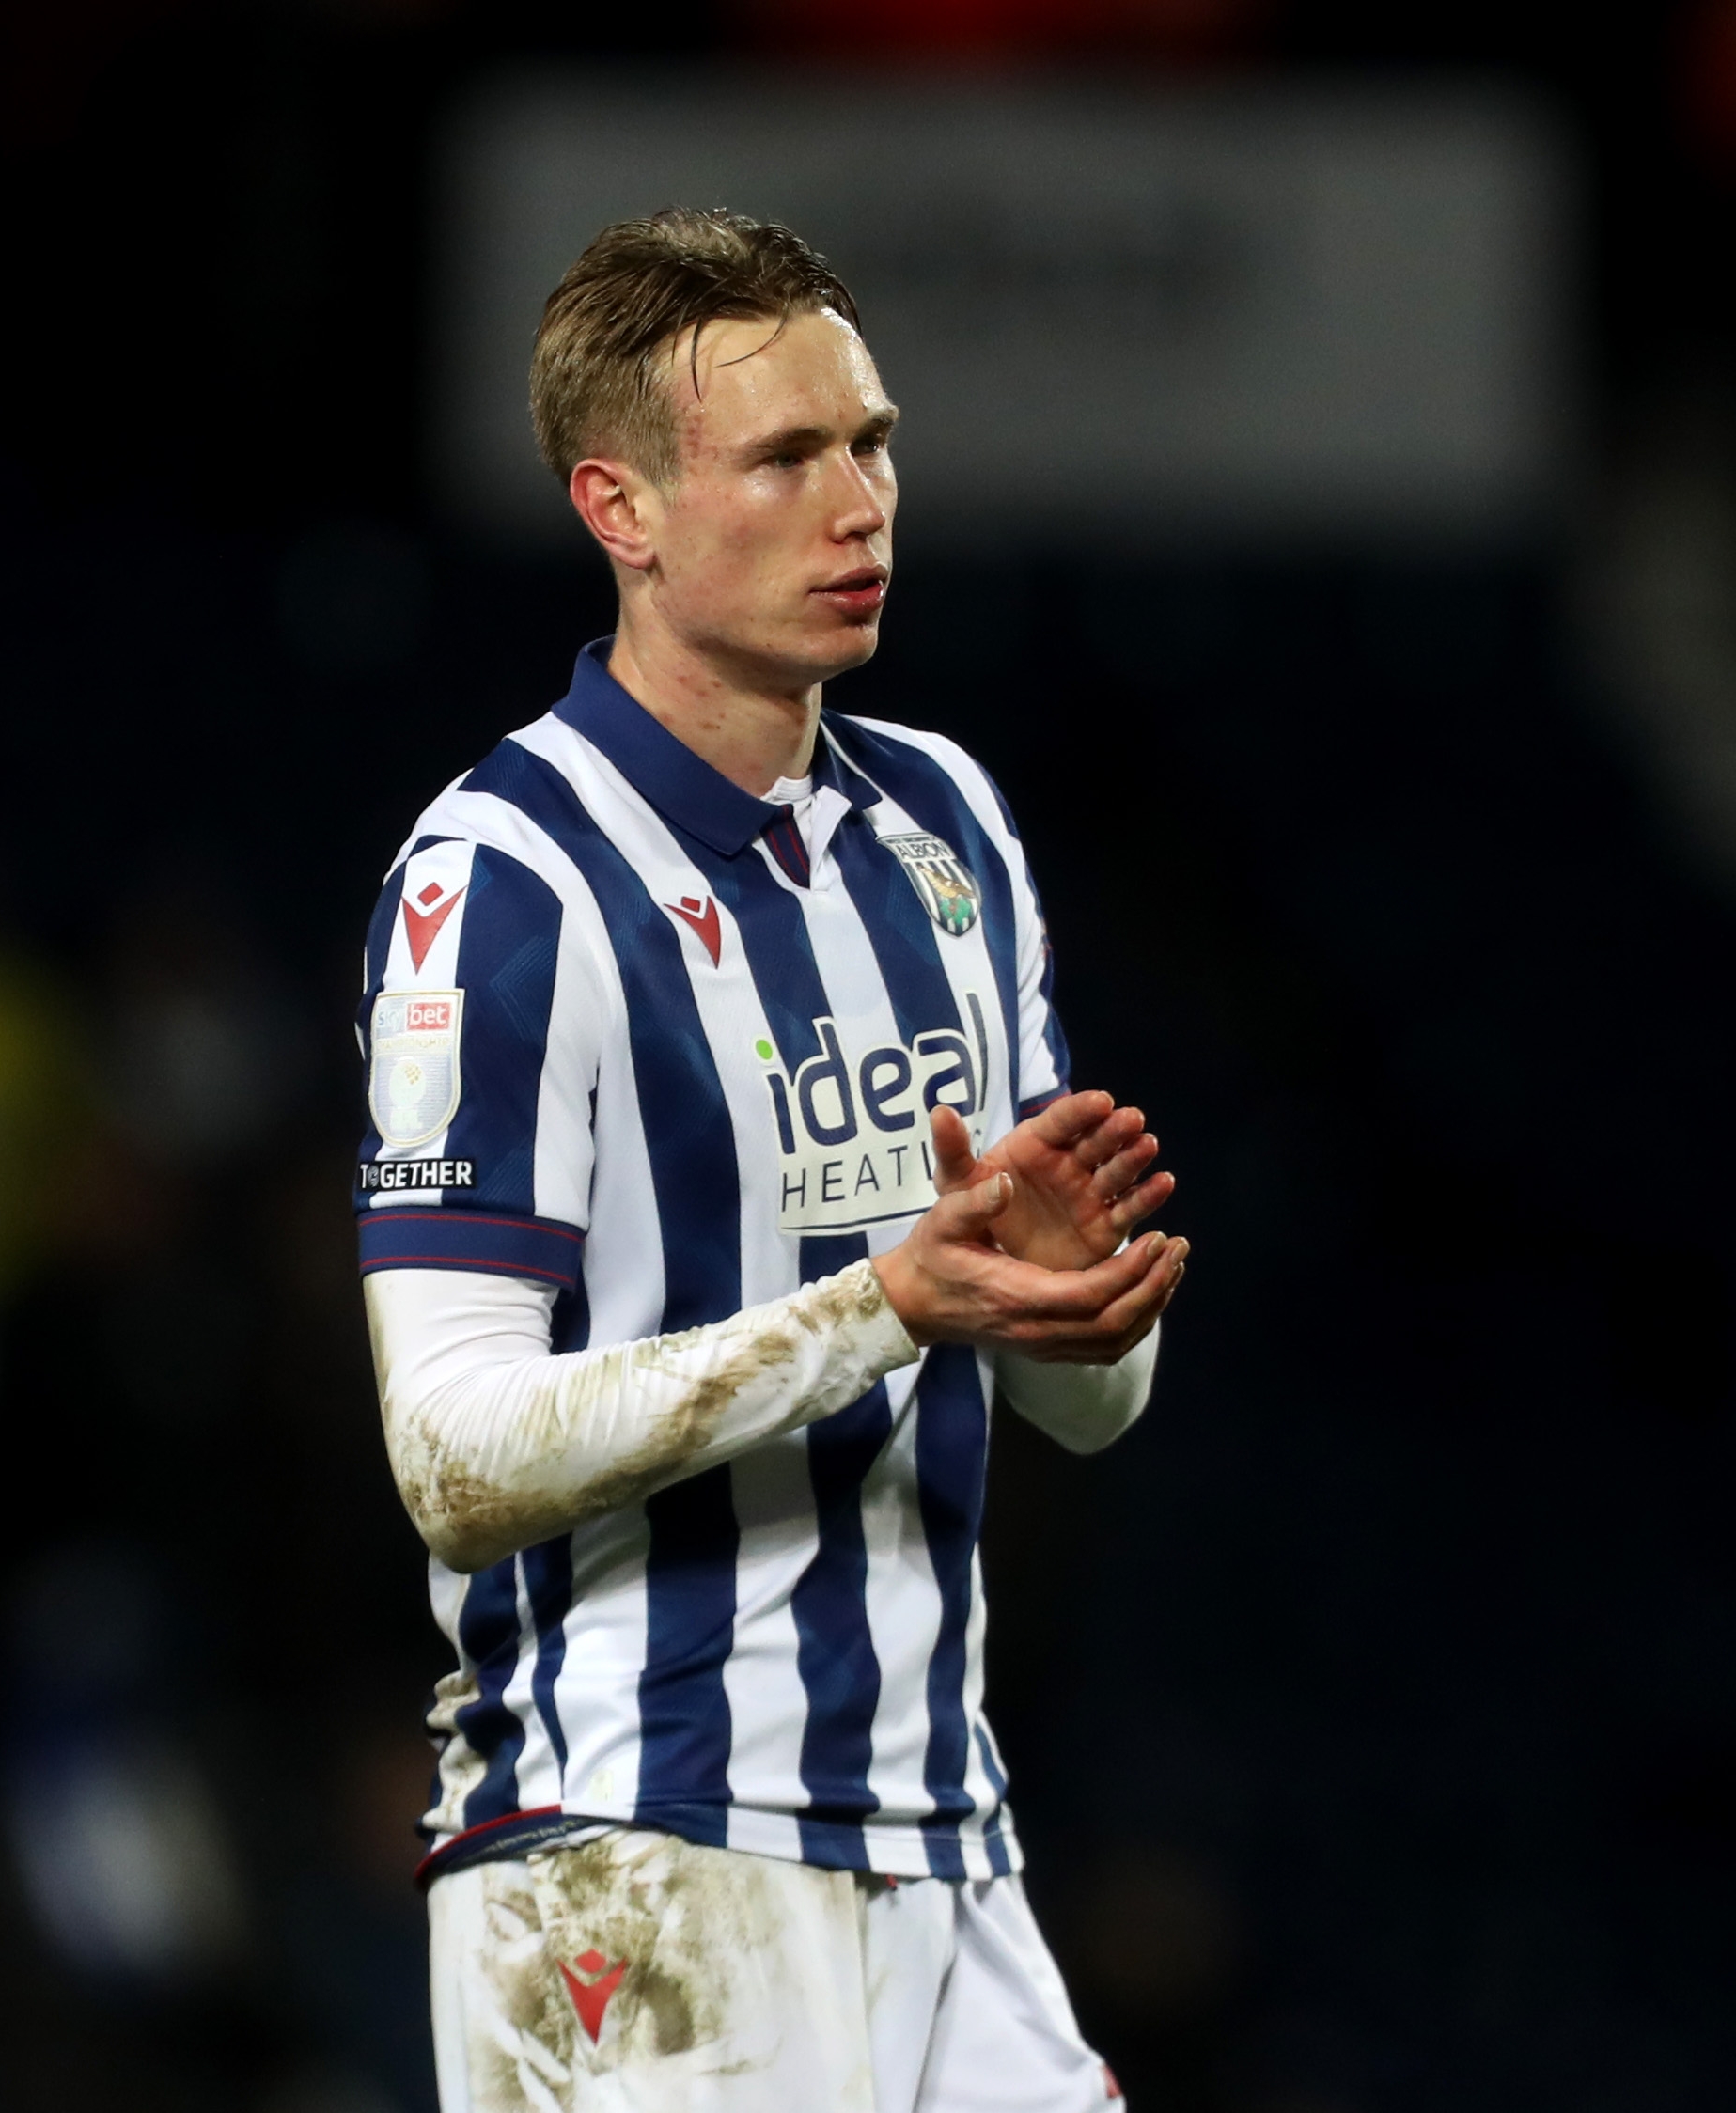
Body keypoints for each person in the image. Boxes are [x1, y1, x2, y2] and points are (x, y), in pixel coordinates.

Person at [354, 209, 1187, 2111]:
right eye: (785, 458)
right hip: (632, 1859)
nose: (858, 501)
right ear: (621, 509)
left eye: (872, 442)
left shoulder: (942, 827)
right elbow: (452, 1457)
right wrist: (885, 1299)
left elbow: (1086, 1404)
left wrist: (1074, 1311)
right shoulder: (504, 880)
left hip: (940, 1845)